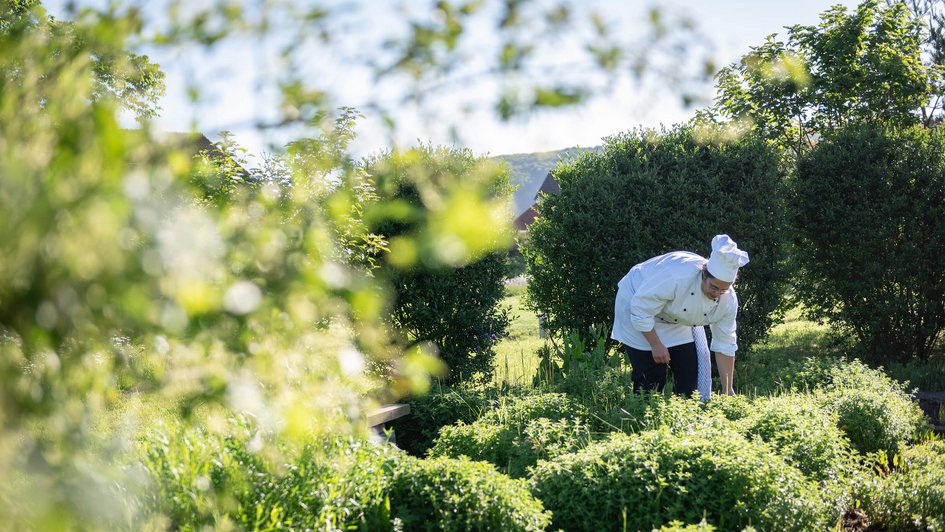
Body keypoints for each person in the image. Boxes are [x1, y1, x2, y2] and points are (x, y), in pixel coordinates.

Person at [611, 234, 749, 396]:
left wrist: (728, 388)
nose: (717, 294)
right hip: (637, 304)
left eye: (723, 289)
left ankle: (686, 417)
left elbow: (725, 342)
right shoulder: (675, 276)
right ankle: (645, 417)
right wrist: (656, 345)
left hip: (674, 317)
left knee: (689, 374)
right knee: (650, 379)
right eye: (713, 287)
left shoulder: (728, 300)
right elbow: (641, 310)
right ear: (704, 275)